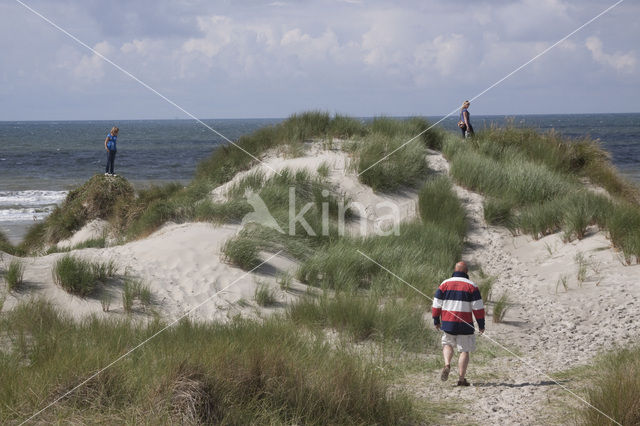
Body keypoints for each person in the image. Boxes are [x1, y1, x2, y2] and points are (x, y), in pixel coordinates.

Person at [432, 261, 485, 386]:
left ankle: (447, 364)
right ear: (466, 272)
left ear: (454, 270)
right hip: (465, 324)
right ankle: (461, 379)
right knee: (464, 350)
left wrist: (436, 320)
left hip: (448, 323)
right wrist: (481, 325)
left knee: (447, 344)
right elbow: (478, 308)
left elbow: (436, 304)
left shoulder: (444, 284)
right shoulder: (472, 286)